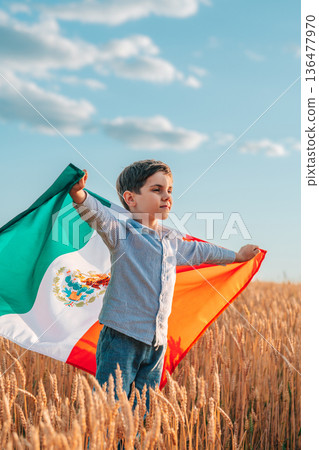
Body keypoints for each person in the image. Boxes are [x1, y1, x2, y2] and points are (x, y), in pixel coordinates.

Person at [70, 159, 259, 411]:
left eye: (169, 190)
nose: (166, 196)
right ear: (131, 198)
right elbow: (98, 215)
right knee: (109, 410)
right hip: (121, 339)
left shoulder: (173, 241)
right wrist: (78, 193)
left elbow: (203, 252)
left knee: (141, 414)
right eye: (156, 189)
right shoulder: (122, 234)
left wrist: (236, 256)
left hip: (156, 343)